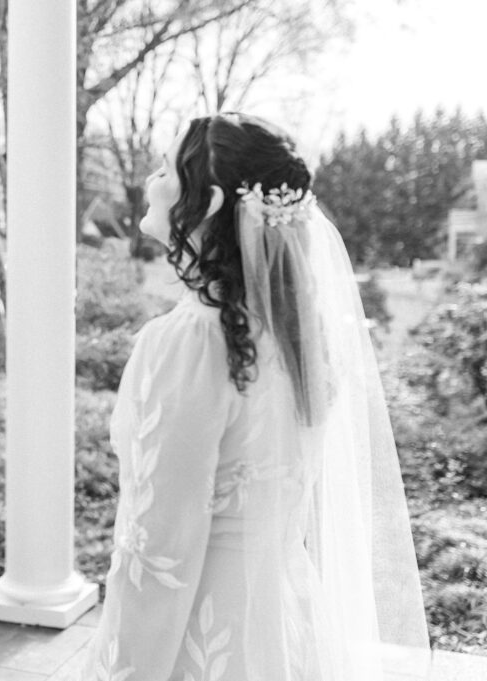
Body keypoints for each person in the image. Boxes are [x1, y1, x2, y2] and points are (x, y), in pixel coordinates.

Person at [85, 114, 429, 680]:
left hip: (204, 635)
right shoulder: (299, 336)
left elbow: (157, 548)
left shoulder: (191, 340)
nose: (150, 180)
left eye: (165, 168)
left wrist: (122, 670)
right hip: (290, 619)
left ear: (212, 201)